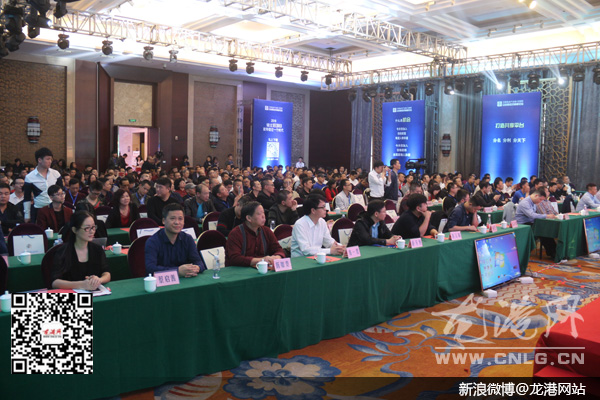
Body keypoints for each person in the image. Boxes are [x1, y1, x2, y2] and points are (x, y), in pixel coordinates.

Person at [51, 211, 111, 290]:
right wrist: (82, 284)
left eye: (93, 227)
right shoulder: (63, 251)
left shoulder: (97, 249)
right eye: (87, 228)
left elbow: (106, 273)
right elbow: (55, 282)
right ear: (75, 230)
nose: (92, 231)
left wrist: (98, 280)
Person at [145, 203, 206, 277]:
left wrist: (197, 268)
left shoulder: (188, 239)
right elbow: (150, 268)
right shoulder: (153, 242)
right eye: (172, 218)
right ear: (163, 221)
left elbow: (199, 263)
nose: (177, 222)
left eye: (180, 219)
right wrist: (177, 271)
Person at [225, 201, 286, 268]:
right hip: (239, 271)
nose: (263, 216)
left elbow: (278, 249)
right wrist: (262, 260)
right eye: (259, 214)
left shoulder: (266, 231)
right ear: (249, 218)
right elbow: (235, 259)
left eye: (263, 213)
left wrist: (277, 257)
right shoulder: (236, 233)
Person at [23, 147, 63, 223]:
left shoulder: (56, 174)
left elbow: (62, 192)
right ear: (39, 160)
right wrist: (27, 215)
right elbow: (27, 198)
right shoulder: (29, 177)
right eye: (48, 159)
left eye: (51, 159)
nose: (50, 161)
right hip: (38, 209)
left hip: (54, 209)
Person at [515, 189, 557, 258]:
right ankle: (553, 254)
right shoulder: (525, 203)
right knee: (543, 232)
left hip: (531, 223)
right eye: (540, 199)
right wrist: (546, 216)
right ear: (536, 196)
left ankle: (554, 253)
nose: (540, 202)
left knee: (546, 231)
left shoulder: (533, 202)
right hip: (523, 225)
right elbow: (532, 215)